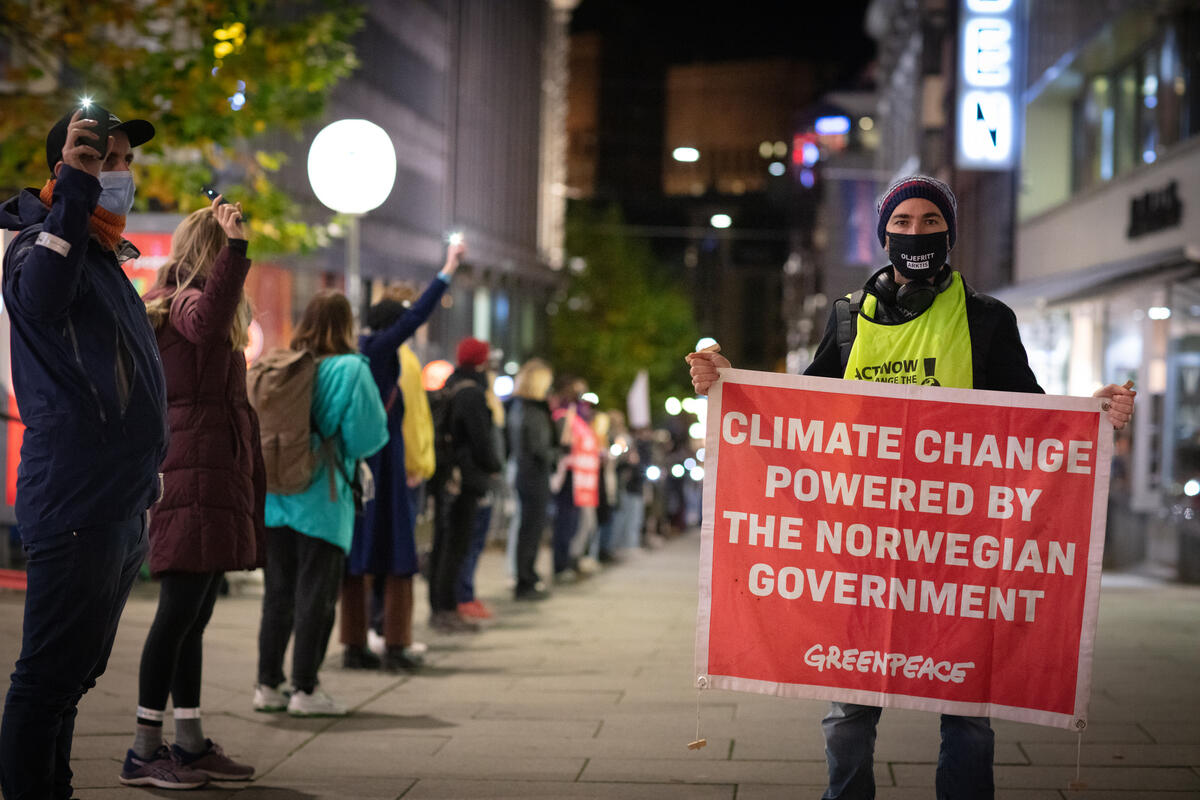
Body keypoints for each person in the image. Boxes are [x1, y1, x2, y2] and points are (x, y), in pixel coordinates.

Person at [687, 174, 1137, 800]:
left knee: (969, 709)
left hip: (960, 549)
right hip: (864, 546)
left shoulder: (987, 319)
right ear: (884, 235)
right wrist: (733, 385)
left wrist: (1087, 415)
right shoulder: (847, 319)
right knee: (848, 709)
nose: (916, 233)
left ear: (949, 232)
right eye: (902, 223)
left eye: (930, 221)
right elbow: (802, 409)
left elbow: (1030, 413)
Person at [0, 106, 169, 800]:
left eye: (125, 161)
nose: (120, 174)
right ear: (66, 167)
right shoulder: (41, 243)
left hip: (117, 500)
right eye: (105, 159)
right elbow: (42, 298)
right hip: (77, 497)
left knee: (74, 675)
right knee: (46, 677)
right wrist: (75, 183)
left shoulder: (101, 256)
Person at [119, 198, 263, 789]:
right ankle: (143, 749)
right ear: (209, 249)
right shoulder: (180, 303)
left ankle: (189, 742)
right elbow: (207, 320)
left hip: (209, 470)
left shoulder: (182, 305)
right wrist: (236, 251)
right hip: (191, 474)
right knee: (177, 613)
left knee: (194, 615)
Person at [254, 290, 388, 717]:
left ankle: (267, 684)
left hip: (275, 496)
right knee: (316, 595)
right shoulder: (351, 368)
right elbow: (367, 437)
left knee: (278, 594)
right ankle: (305, 690)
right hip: (322, 498)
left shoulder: (283, 364)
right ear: (347, 325)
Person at [340, 242, 463, 673]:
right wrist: (446, 271)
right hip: (384, 465)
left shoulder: (353, 350)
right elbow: (415, 316)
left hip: (358, 464)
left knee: (358, 556)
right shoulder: (379, 350)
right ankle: (395, 641)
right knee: (397, 554)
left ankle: (355, 642)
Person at [427, 337, 502, 632]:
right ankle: (445, 609)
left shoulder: (451, 384)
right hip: (463, 480)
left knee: (444, 543)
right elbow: (479, 439)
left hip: (447, 476)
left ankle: (441, 607)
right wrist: (493, 466)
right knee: (455, 544)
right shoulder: (472, 393)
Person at [455, 372, 506, 619]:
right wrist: (493, 466)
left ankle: (466, 593)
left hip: (479, 479)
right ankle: (463, 595)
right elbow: (483, 443)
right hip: (476, 480)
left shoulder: (487, 405)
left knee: (473, 541)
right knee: (469, 541)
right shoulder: (475, 401)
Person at [507, 358, 557, 600]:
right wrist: (559, 452)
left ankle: (526, 576)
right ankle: (525, 580)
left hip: (525, 473)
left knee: (528, 528)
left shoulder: (518, 407)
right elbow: (539, 447)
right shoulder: (534, 410)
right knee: (531, 529)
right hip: (534, 475)